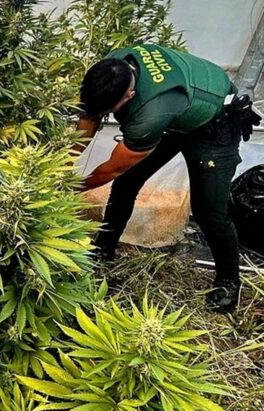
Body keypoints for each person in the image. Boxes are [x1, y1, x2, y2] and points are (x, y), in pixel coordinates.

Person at [76, 43, 260, 313]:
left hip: (214, 125)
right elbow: (89, 115)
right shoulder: (110, 69)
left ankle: (229, 282)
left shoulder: (150, 114)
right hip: (179, 115)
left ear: (130, 95)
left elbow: (114, 168)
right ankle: (104, 248)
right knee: (127, 184)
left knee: (209, 213)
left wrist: (72, 187)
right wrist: (62, 162)